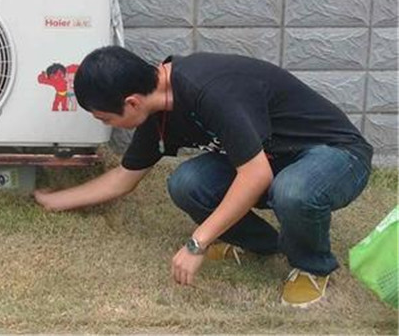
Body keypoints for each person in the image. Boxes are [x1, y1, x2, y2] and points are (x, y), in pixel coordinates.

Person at [33, 46, 373, 308]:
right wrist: (53, 200)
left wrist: (197, 243)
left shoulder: (210, 89)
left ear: (132, 102)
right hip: (272, 158)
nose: (106, 125)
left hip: (335, 154)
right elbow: (125, 177)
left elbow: (255, 175)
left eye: (105, 118)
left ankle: (312, 267)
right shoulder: (158, 109)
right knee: (186, 183)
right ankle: (264, 246)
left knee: (292, 190)